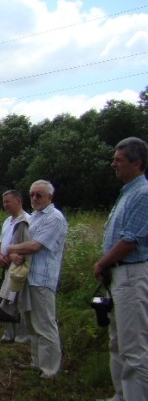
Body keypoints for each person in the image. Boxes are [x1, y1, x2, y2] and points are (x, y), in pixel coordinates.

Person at [93, 136, 148, 400]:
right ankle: (121, 395)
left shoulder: (143, 193)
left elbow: (130, 239)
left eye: (119, 160)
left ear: (136, 162)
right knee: (117, 341)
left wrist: (102, 262)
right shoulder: (127, 192)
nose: (113, 164)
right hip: (118, 275)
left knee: (133, 347)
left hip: (131, 275)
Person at [7, 180, 67, 379]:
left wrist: (11, 249)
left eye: (39, 195)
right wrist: (14, 254)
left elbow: (35, 246)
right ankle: (37, 363)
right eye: (32, 194)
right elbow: (22, 244)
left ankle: (50, 369)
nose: (34, 198)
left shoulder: (55, 218)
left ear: (50, 197)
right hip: (27, 276)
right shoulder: (34, 217)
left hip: (42, 278)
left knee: (45, 324)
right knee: (31, 323)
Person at [0, 190, 31, 343]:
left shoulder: (26, 220)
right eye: (4, 202)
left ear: (18, 201)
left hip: (19, 268)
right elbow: (0, 242)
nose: (5, 205)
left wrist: (11, 256)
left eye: (8, 201)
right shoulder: (7, 221)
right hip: (6, 266)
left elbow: (27, 246)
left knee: (19, 301)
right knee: (6, 298)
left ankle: (22, 336)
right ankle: (8, 334)